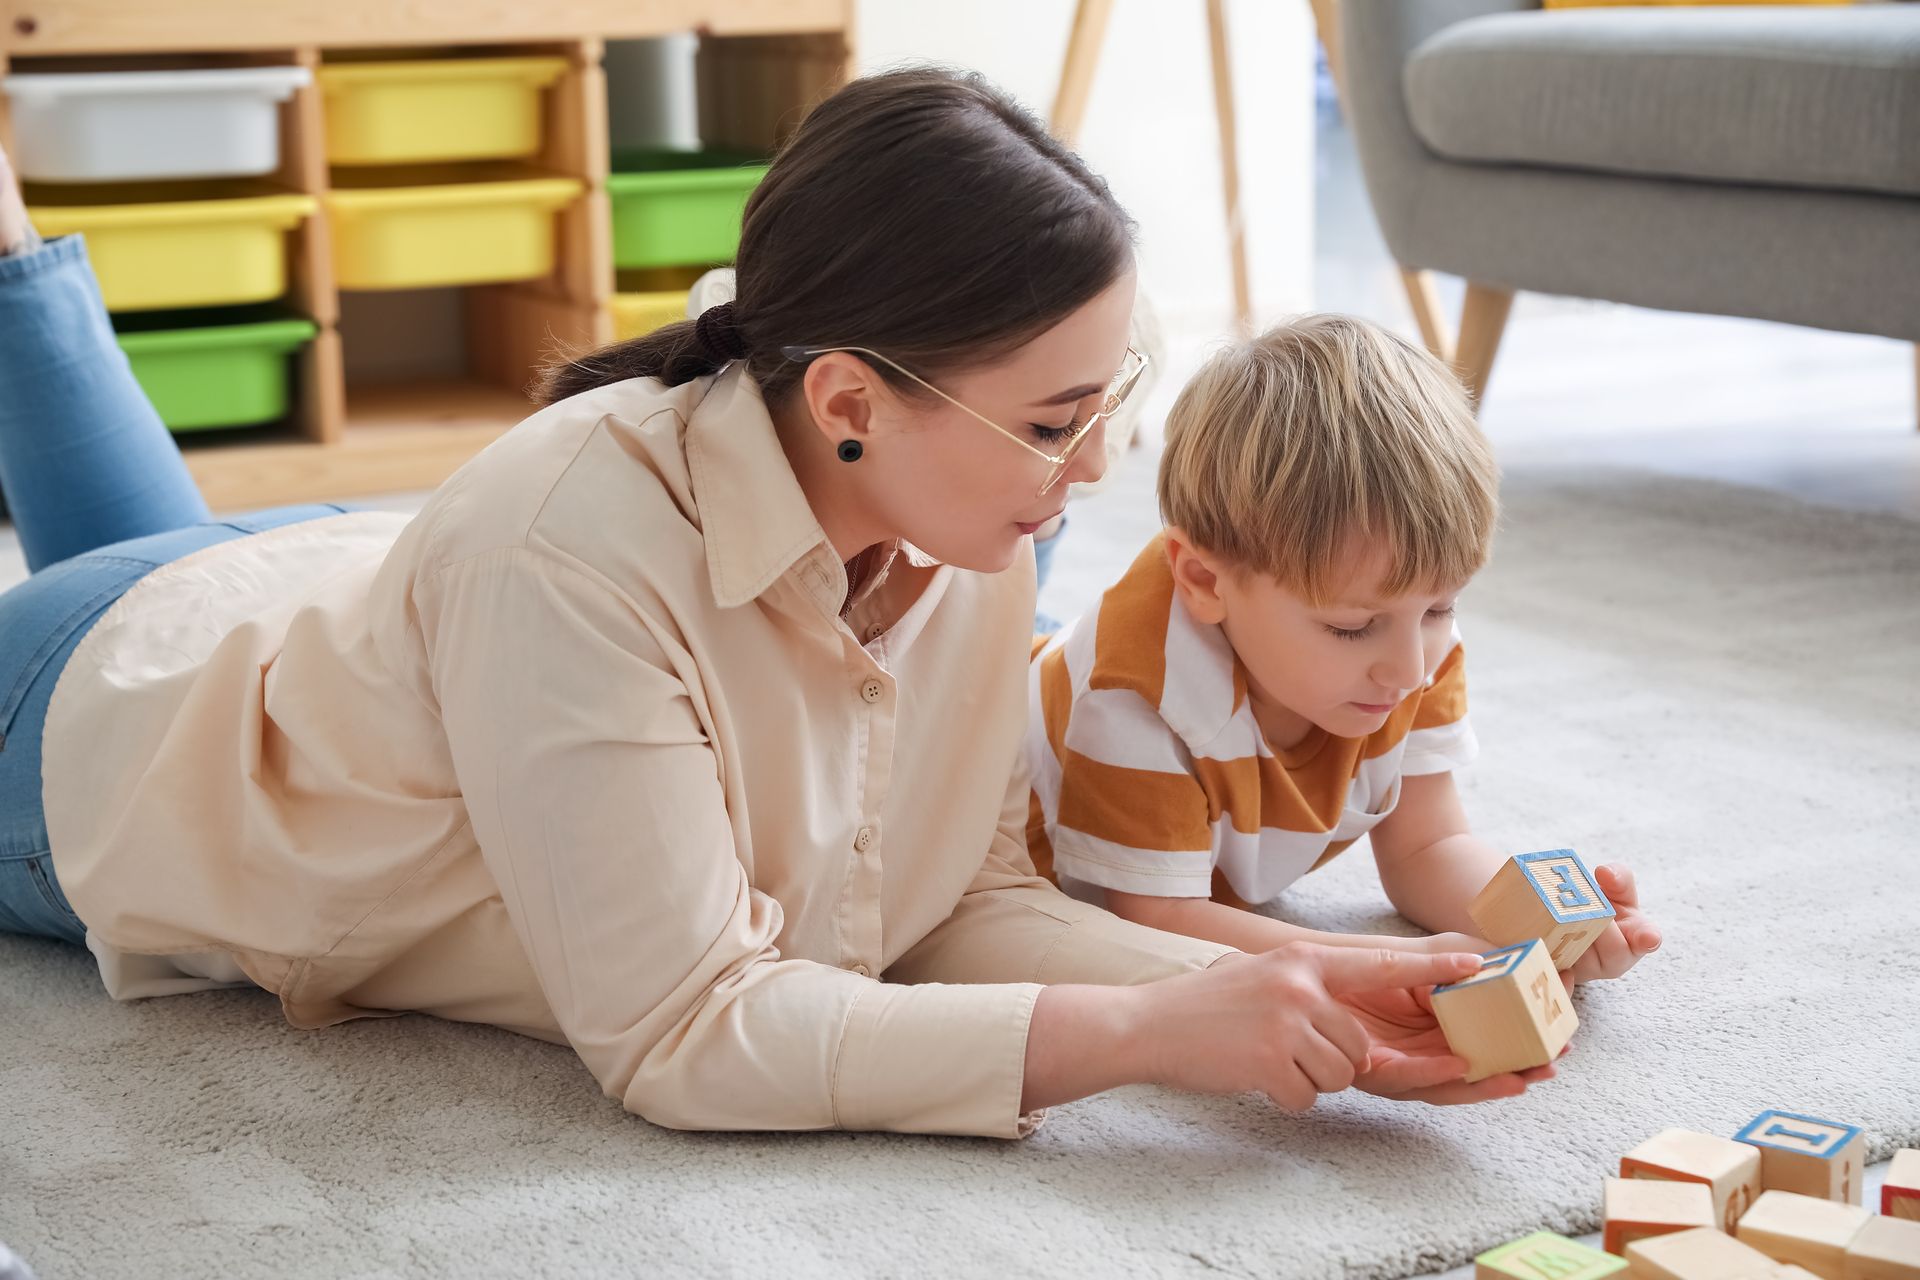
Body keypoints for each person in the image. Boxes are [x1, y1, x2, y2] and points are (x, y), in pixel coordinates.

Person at [0, 69, 1550, 1140]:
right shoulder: (560, 550)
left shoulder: (974, 502)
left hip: (340, 584)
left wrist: (1297, 992)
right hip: (95, 718)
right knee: (144, 584)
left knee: (190, 551)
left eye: (1106, 399)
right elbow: (685, 1033)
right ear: (850, 397)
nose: (1098, 465)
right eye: (1059, 417)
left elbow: (947, 905)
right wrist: (1139, 1039)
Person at [1025, 316, 1664, 981]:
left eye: (1441, 607)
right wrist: (1396, 962)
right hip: (1002, 755)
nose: (1410, 671)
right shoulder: (1135, 691)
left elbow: (1428, 846)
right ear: (1206, 582)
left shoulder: (1408, 644)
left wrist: (1535, 921)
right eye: (1351, 628)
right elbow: (1158, 927)